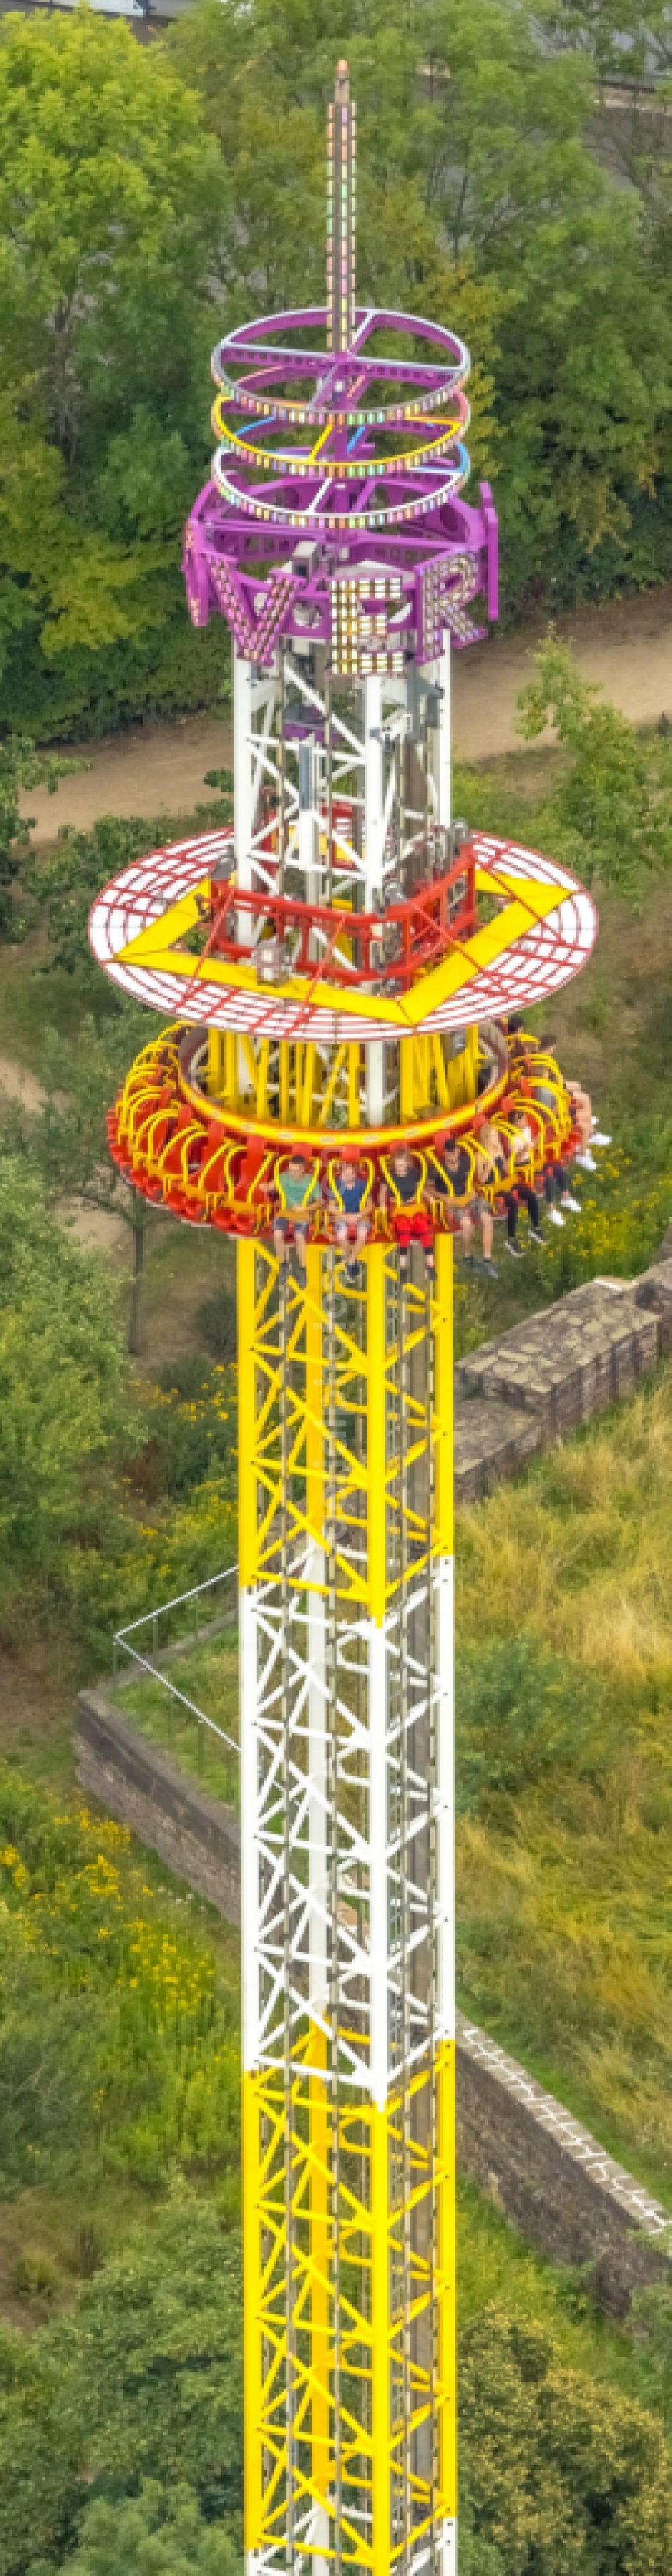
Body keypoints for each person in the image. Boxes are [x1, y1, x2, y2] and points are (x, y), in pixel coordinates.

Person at [380, 1145, 435, 1278]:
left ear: (407, 1164)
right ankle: (403, 1267)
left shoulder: (414, 1174)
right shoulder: (388, 1175)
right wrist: (382, 1204)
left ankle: (431, 1265)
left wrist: (429, 1197)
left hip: (414, 1205)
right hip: (399, 1208)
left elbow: (420, 1188)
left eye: (402, 1165)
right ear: (394, 1164)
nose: (400, 1168)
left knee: (423, 1227)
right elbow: (383, 1192)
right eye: (398, 1165)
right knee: (404, 1230)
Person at [327, 1150, 372, 1281]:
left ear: (355, 1173)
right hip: (342, 1216)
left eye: (350, 1173)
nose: (347, 1175)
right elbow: (331, 1206)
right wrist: (345, 1216)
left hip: (359, 1215)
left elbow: (370, 1205)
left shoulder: (362, 1185)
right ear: (341, 1173)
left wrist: (358, 1215)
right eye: (345, 1173)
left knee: (362, 1232)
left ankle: (350, 1260)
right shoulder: (336, 1185)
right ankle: (352, 1260)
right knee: (341, 1235)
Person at [274, 1152, 319, 1272]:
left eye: (295, 1171)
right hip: (285, 1211)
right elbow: (273, 1185)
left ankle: (303, 1268)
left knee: (299, 1236)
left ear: (303, 1169)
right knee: (278, 1234)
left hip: (303, 1213)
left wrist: (305, 1209)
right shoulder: (283, 1177)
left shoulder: (312, 1181)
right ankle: (283, 1264)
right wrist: (266, 1186)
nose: (292, 1173)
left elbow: (319, 1203)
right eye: (291, 1170)